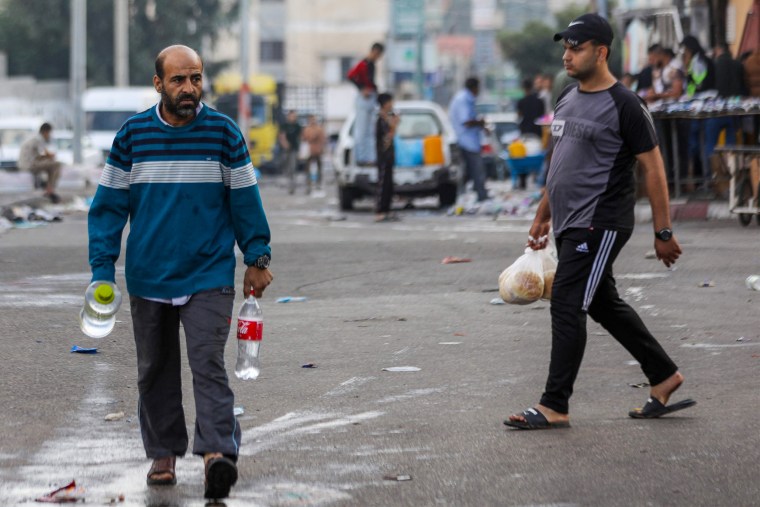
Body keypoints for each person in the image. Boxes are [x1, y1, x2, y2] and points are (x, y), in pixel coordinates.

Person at [87, 45, 273, 499]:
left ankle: (216, 455)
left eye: (195, 78)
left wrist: (257, 257)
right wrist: (102, 270)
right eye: (178, 80)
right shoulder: (132, 137)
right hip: (149, 275)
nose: (189, 89)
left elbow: (245, 202)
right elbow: (108, 209)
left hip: (208, 273)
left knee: (207, 364)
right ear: (158, 85)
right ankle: (164, 454)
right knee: (155, 369)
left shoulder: (224, 134)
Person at [504, 14, 693, 430]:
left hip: (601, 222)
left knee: (568, 303)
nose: (567, 55)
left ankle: (555, 404)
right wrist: (542, 215)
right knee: (604, 303)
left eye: (576, 47)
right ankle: (664, 376)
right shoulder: (567, 97)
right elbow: (562, 163)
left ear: (601, 51)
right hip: (569, 222)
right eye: (565, 48)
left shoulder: (626, 104)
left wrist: (663, 232)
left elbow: (654, 169)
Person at [449, 76, 489, 202]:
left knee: (468, 172)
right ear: (474, 87)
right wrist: (480, 123)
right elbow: (466, 121)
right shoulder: (463, 99)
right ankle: (480, 195)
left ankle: (467, 196)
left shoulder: (465, 98)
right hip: (467, 141)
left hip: (469, 140)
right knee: (477, 170)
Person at [347, 42, 384, 166]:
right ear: (374, 51)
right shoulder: (363, 64)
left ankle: (370, 158)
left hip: (371, 97)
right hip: (364, 98)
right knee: (361, 130)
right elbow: (351, 75)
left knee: (369, 130)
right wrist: (362, 88)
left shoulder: (372, 65)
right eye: (378, 54)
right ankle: (361, 158)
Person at [17, 122, 62, 203]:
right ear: (45, 132)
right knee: (56, 164)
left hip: (27, 163)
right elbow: (43, 154)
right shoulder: (38, 139)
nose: (50, 136)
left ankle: (48, 188)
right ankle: (50, 190)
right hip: (29, 164)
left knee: (51, 164)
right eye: (49, 133)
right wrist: (50, 156)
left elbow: (40, 155)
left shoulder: (35, 138)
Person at [374, 92, 400, 222]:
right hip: (383, 156)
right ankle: (380, 211)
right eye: (390, 102)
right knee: (383, 184)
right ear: (385, 104)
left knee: (389, 184)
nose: (392, 105)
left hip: (389, 156)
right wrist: (394, 125)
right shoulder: (381, 120)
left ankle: (387, 210)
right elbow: (387, 139)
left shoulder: (386, 119)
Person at [301, 114, 326, 193]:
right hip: (309, 152)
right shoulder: (307, 129)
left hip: (317, 151)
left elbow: (323, 139)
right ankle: (308, 185)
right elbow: (304, 138)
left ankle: (318, 184)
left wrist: (322, 149)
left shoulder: (319, 129)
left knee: (319, 168)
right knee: (307, 169)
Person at [278, 110, 302, 195]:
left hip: (294, 150)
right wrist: (285, 144)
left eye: (294, 116)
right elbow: (281, 136)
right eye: (291, 116)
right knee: (285, 166)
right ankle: (287, 181)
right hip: (285, 150)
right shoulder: (284, 126)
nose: (293, 117)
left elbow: (301, 137)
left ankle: (291, 186)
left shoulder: (297, 126)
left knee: (292, 167)